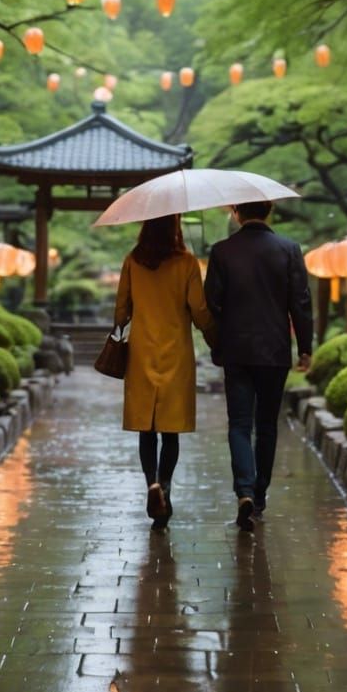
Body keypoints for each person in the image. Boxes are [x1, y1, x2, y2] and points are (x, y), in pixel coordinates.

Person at [204, 200, 314, 529]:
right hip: (274, 350)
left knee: (239, 423)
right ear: (269, 212)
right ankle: (260, 496)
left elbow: (211, 302)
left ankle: (244, 490)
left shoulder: (222, 251)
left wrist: (219, 338)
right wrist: (304, 347)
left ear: (237, 213)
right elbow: (301, 301)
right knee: (266, 424)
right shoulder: (288, 249)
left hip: (237, 350)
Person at [113, 214, 216, 530]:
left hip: (142, 352)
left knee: (147, 427)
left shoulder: (133, 260)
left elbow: (121, 309)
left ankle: (150, 484)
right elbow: (199, 310)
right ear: (176, 228)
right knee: (170, 429)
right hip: (175, 353)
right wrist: (215, 338)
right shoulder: (186, 263)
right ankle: (165, 486)